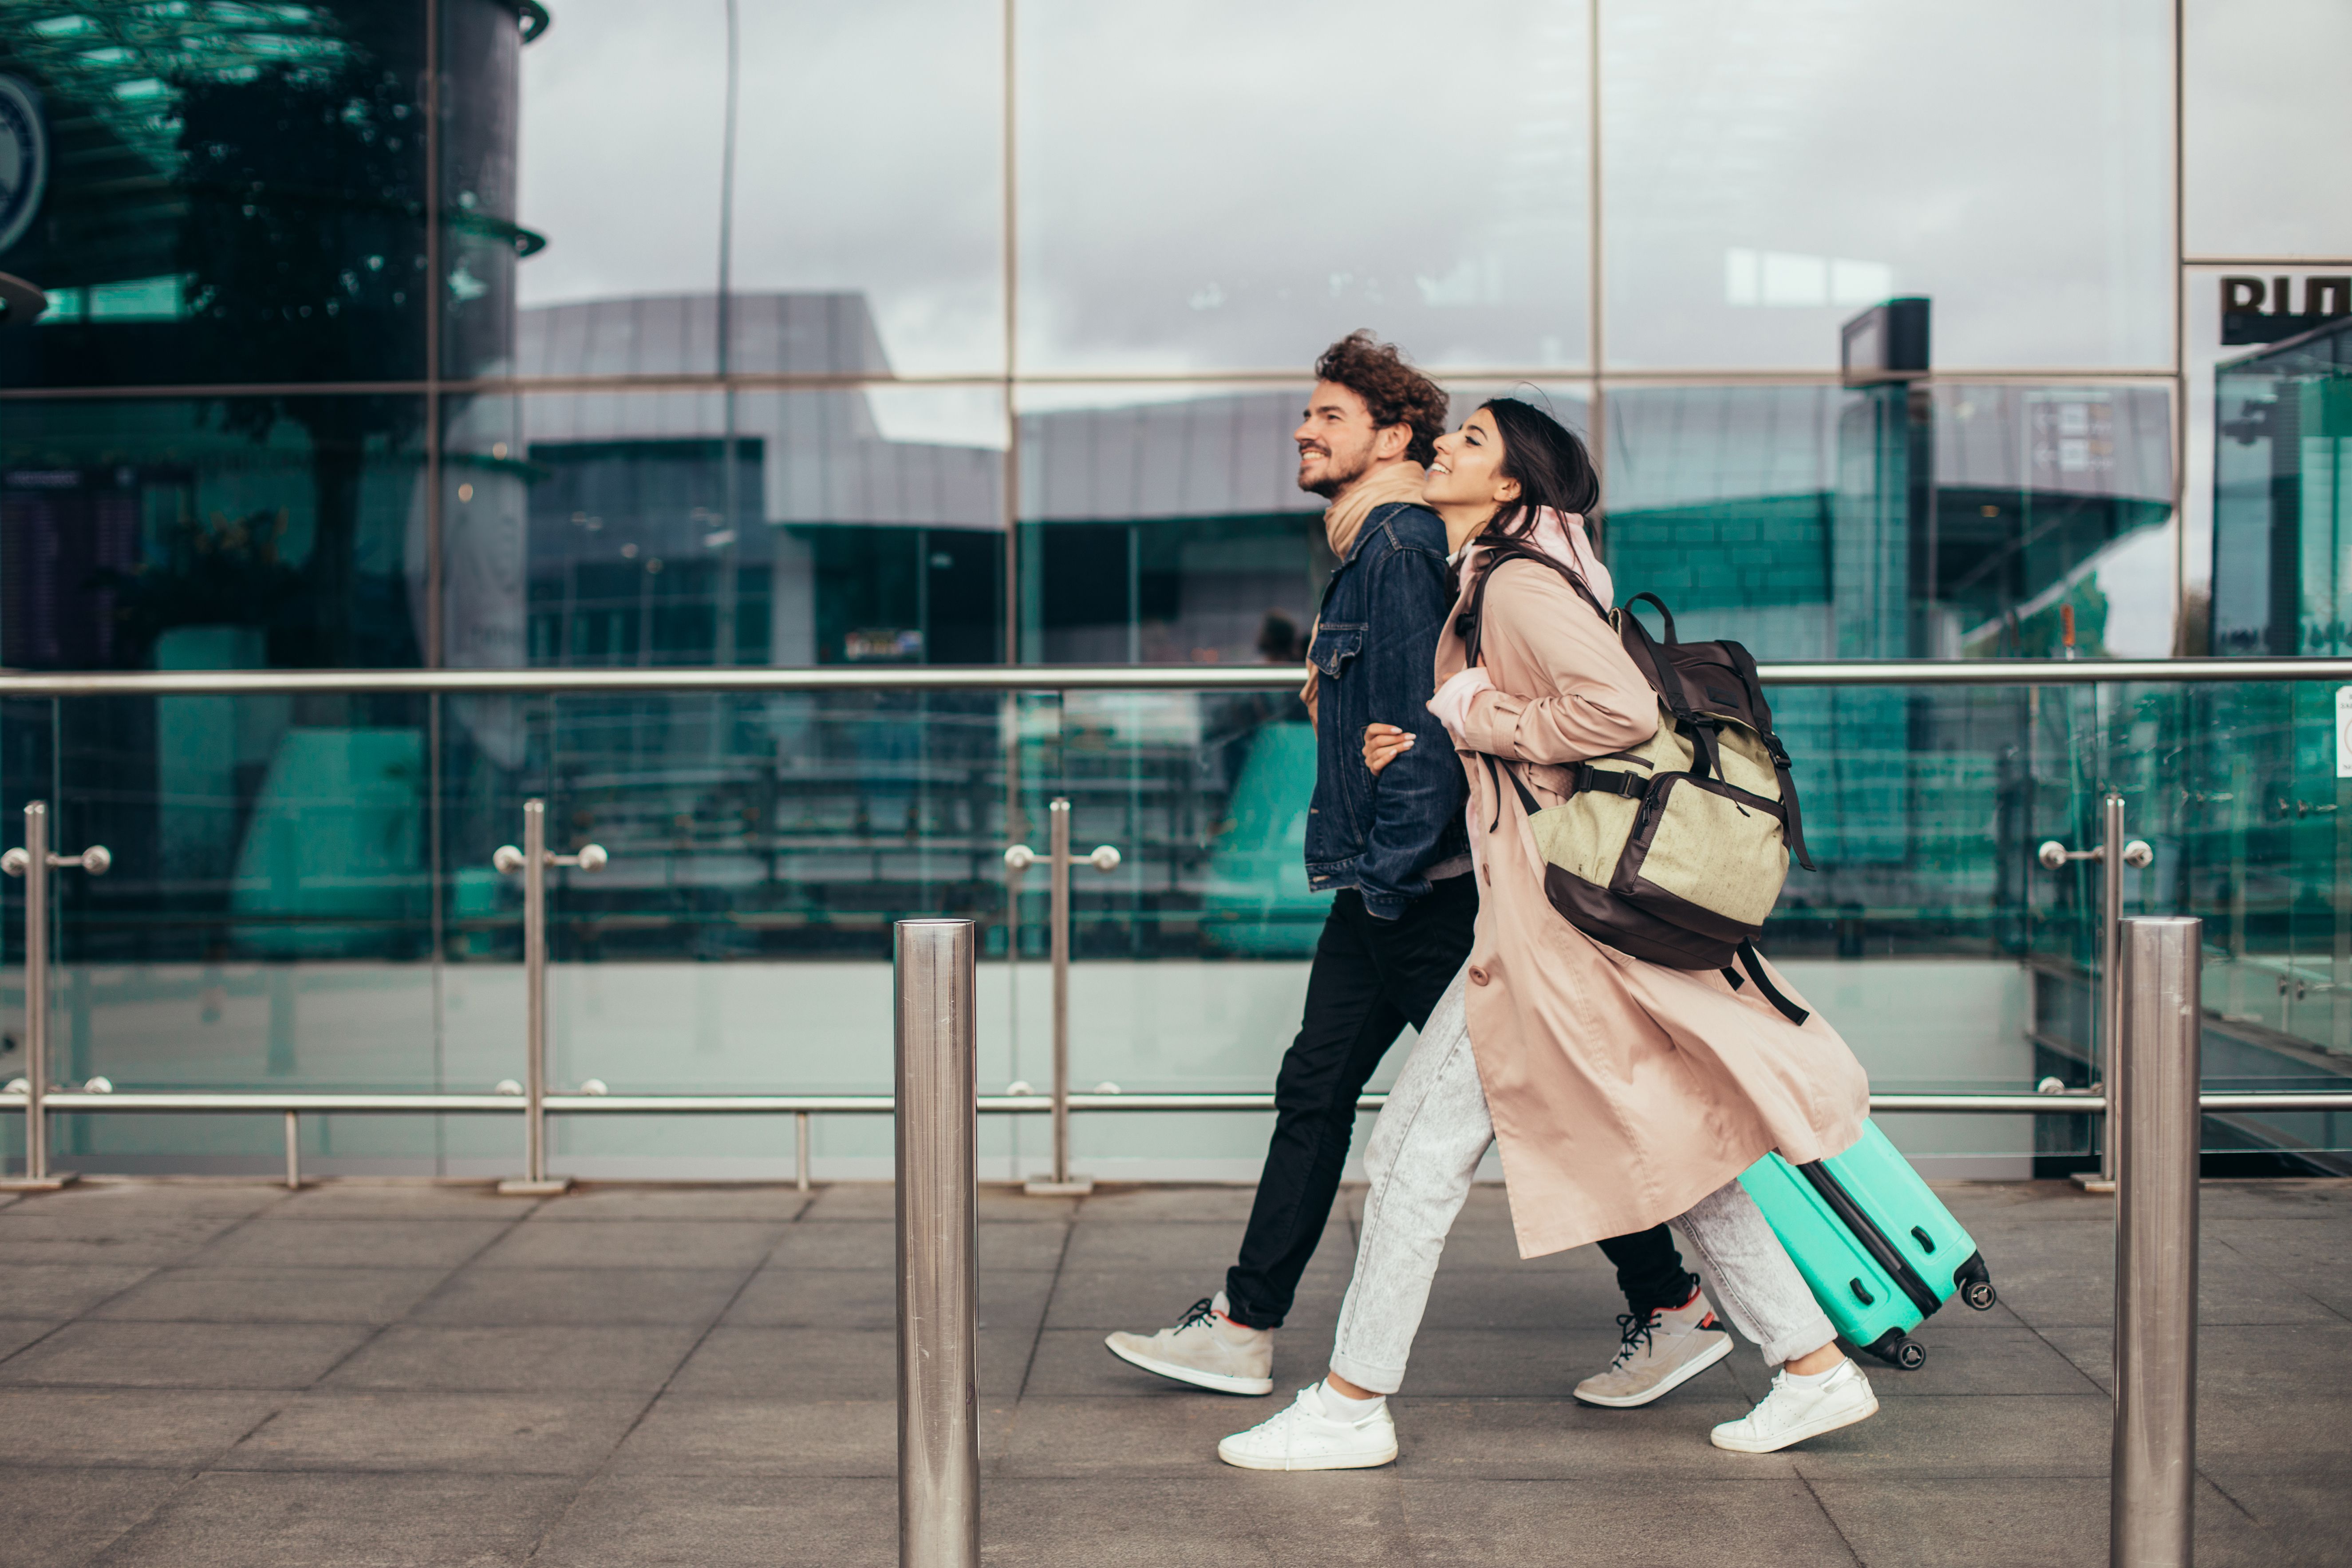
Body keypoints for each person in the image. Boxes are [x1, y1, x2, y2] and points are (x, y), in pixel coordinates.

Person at [1215, 398, 1881, 1469]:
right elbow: (1535, 731)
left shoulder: (1518, 583)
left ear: (1512, 486)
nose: (1445, 448)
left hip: (1545, 937)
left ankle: (1348, 1405)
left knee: (1414, 1161)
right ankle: (1812, 1368)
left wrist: (1483, 720)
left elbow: (1615, 711)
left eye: (1470, 441)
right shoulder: (1503, 577)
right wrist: (1432, 734)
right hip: (1551, 930)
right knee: (1668, 1156)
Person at [1106, 337, 1711, 1407]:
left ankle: (1672, 1304)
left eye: (1329, 417)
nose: (1305, 429)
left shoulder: (1393, 549)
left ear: (1392, 439)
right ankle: (1244, 1324)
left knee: (1534, 1098)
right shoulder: (1380, 545)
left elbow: (1426, 731)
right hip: (1393, 881)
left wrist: (1387, 866)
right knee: (1322, 1086)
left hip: (1417, 885)